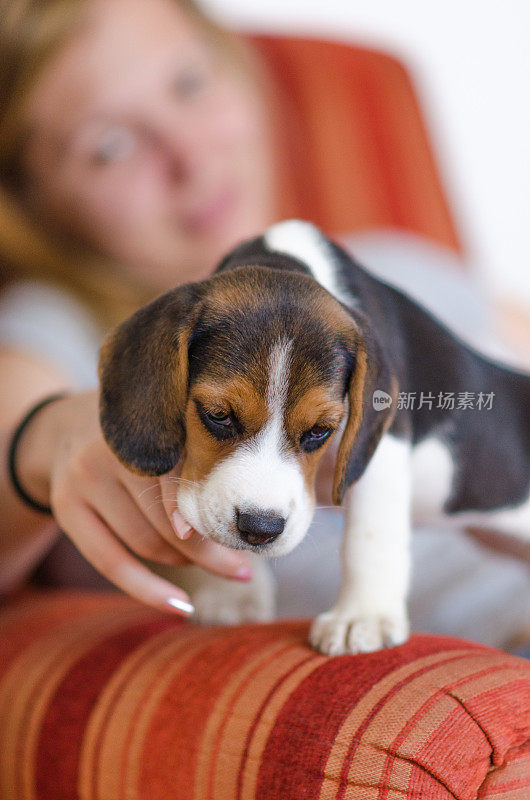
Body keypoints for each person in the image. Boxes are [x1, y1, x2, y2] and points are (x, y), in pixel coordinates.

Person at [1, 0, 529, 649]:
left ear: (237, 73)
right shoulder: (66, 326)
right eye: (108, 145)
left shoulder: (405, 267)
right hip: (488, 659)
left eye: (188, 84)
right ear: (29, 199)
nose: (189, 155)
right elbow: (18, 416)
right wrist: (42, 438)